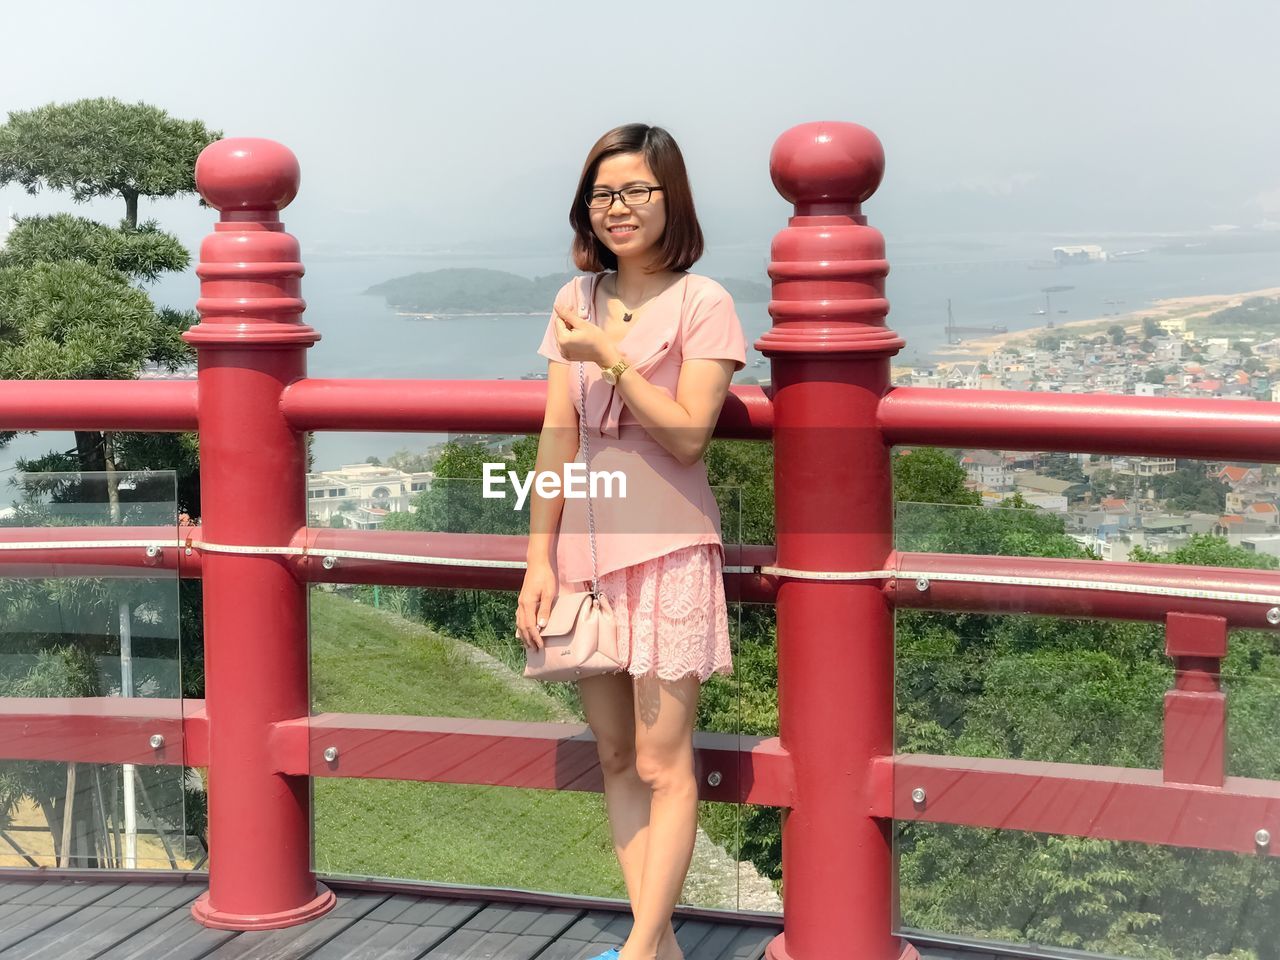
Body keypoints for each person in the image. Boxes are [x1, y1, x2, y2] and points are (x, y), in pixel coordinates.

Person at [516, 123, 746, 960]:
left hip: (669, 549)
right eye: (603, 194)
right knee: (614, 753)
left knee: (661, 758)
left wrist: (611, 358)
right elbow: (555, 435)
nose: (617, 209)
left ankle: (643, 950)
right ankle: (662, 947)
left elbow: (689, 436)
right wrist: (538, 557)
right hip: (582, 551)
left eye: (635, 192)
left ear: (670, 199)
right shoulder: (573, 301)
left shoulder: (703, 302)